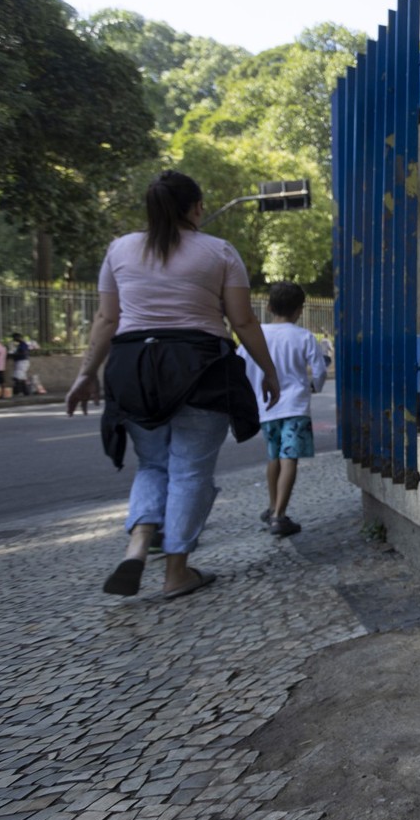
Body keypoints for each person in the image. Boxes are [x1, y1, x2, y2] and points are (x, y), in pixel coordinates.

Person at [65, 170, 281, 599]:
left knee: (153, 465)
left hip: (132, 368)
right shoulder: (219, 251)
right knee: (189, 470)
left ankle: (138, 545)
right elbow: (242, 320)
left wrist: (86, 373)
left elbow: (107, 319)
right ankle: (177, 571)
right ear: (197, 207)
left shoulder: (120, 249)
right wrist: (268, 371)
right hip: (198, 366)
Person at [242, 281, 327, 537]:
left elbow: (243, 364)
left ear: (268, 306)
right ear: (300, 310)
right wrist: (314, 386)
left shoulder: (257, 334)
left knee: (273, 457)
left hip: (267, 406)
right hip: (295, 406)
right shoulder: (303, 336)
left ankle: (272, 507)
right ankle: (280, 515)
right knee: (290, 457)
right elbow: (320, 369)